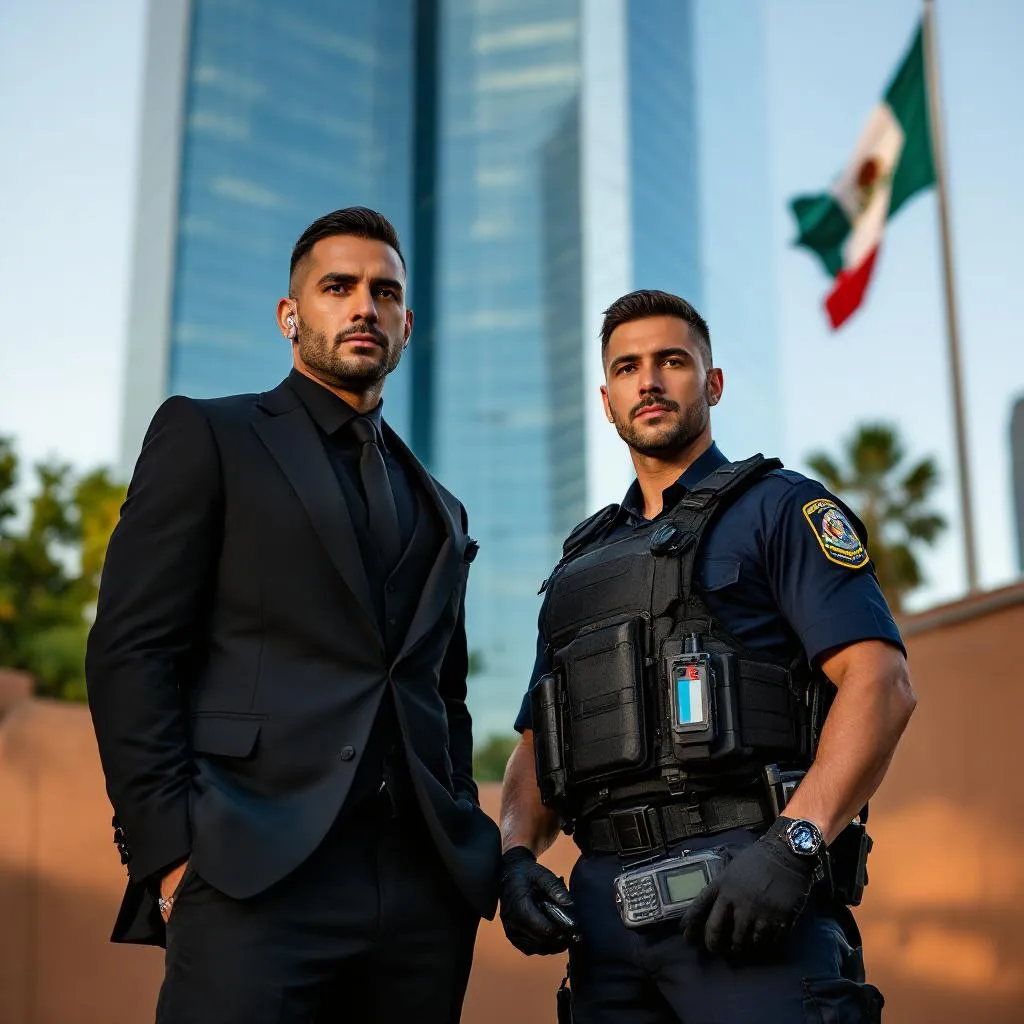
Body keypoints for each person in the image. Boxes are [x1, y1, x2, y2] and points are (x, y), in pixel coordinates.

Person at [86, 207, 500, 1024]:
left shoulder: (442, 507)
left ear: (407, 324)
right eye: (337, 287)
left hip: (420, 898)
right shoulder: (209, 434)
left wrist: (461, 831)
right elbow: (131, 651)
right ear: (290, 314)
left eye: (385, 293)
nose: (364, 307)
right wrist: (170, 858)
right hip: (251, 874)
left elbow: (441, 695)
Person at [497, 290, 916, 1023]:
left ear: (712, 382)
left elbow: (880, 683)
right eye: (627, 367)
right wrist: (515, 858)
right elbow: (538, 743)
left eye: (672, 361)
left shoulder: (781, 508)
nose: (649, 381)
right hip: (603, 926)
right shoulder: (577, 568)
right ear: (606, 399)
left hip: (747, 896)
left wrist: (793, 847)